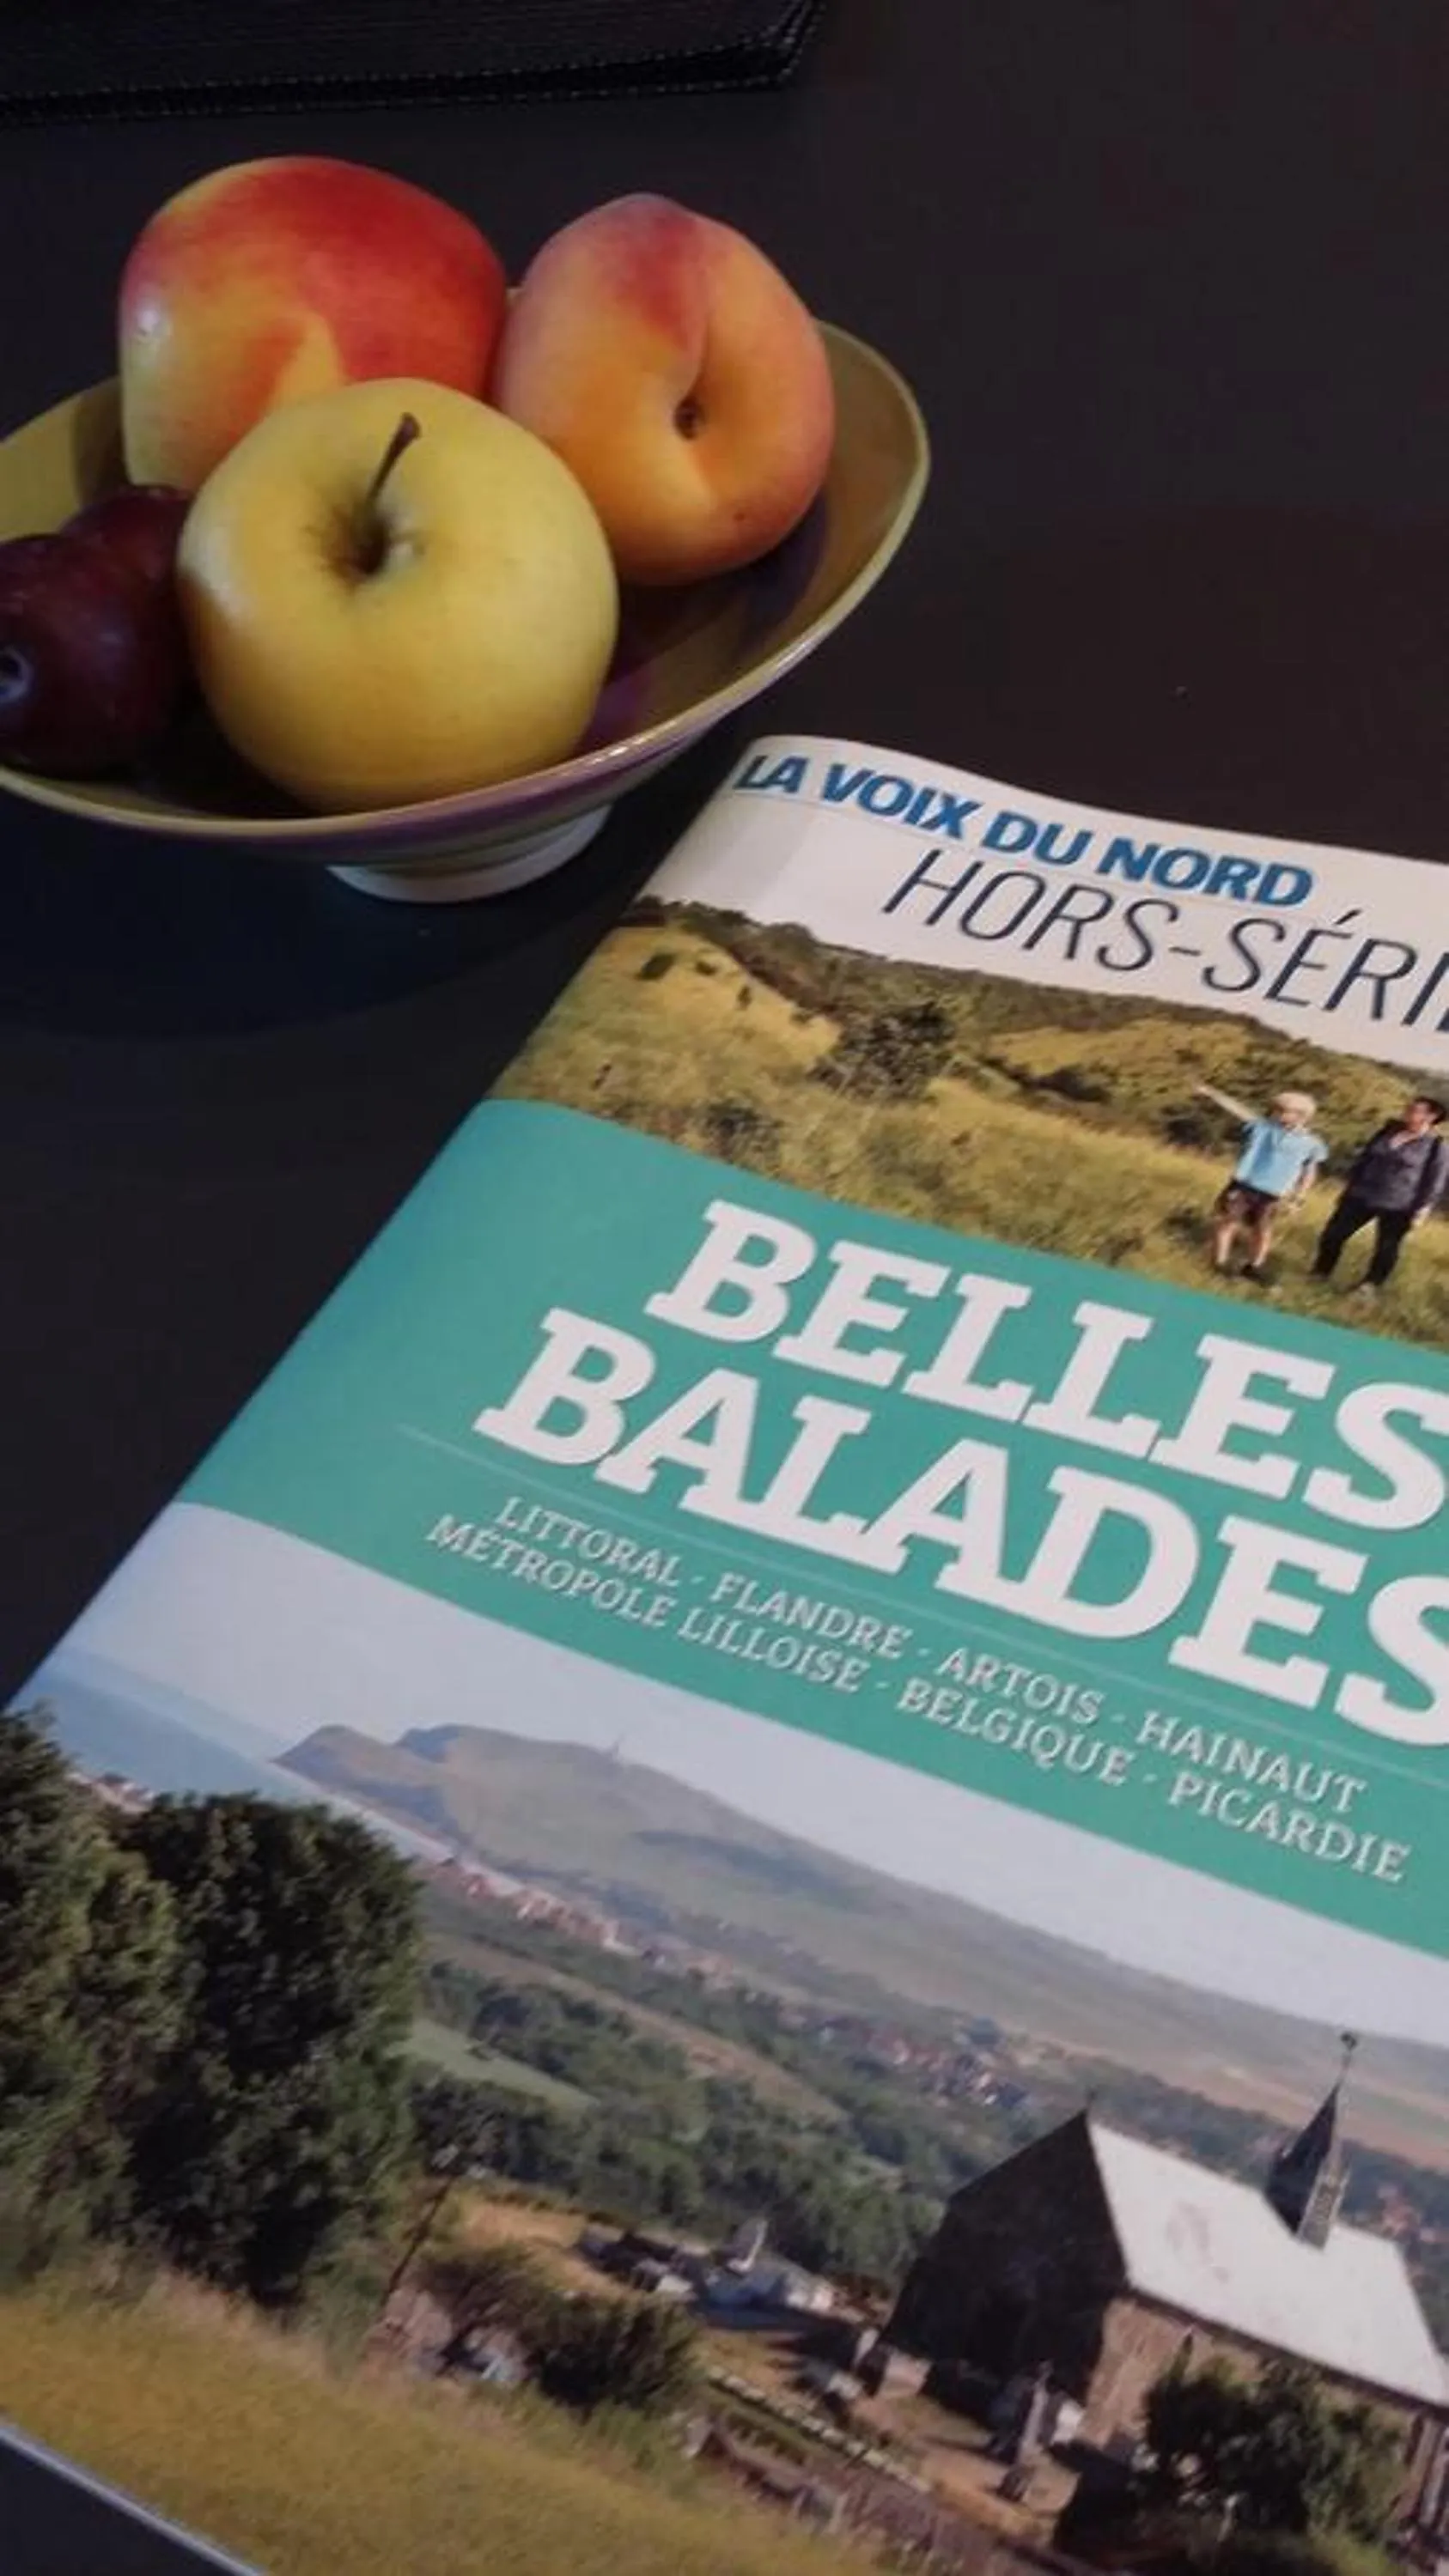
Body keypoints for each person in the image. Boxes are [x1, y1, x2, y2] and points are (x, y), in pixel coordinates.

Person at [1312, 1095, 1449, 1297]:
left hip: (1399, 1205)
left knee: (1386, 1247)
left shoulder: (1436, 1147)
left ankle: (1369, 1286)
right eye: (1409, 1107)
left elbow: (1434, 1182)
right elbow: (1364, 1160)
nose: (1408, 1111)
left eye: (1416, 1109)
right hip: (1360, 1195)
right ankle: (1321, 1272)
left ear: (1431, 1116)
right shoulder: (1386, 1132)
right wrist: (1349, 1188)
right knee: (1333, 1234)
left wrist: (1422, 1209)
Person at [1197, 1084, 1328, 1281]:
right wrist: (1213, 1094)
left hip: (1274, 1193)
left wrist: (1298, 1198)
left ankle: (1254, 1267)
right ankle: (1219, 1263)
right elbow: (1237, 1109)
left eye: (1282, 1110)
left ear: (1301, 1116)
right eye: (1276, 1109)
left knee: (1263, 1230)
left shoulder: (1312, 1143)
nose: (1275, 1113)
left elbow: (1309, 1172)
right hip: (1244, 1184)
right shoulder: (1262, 1126)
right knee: (1227, 1223)